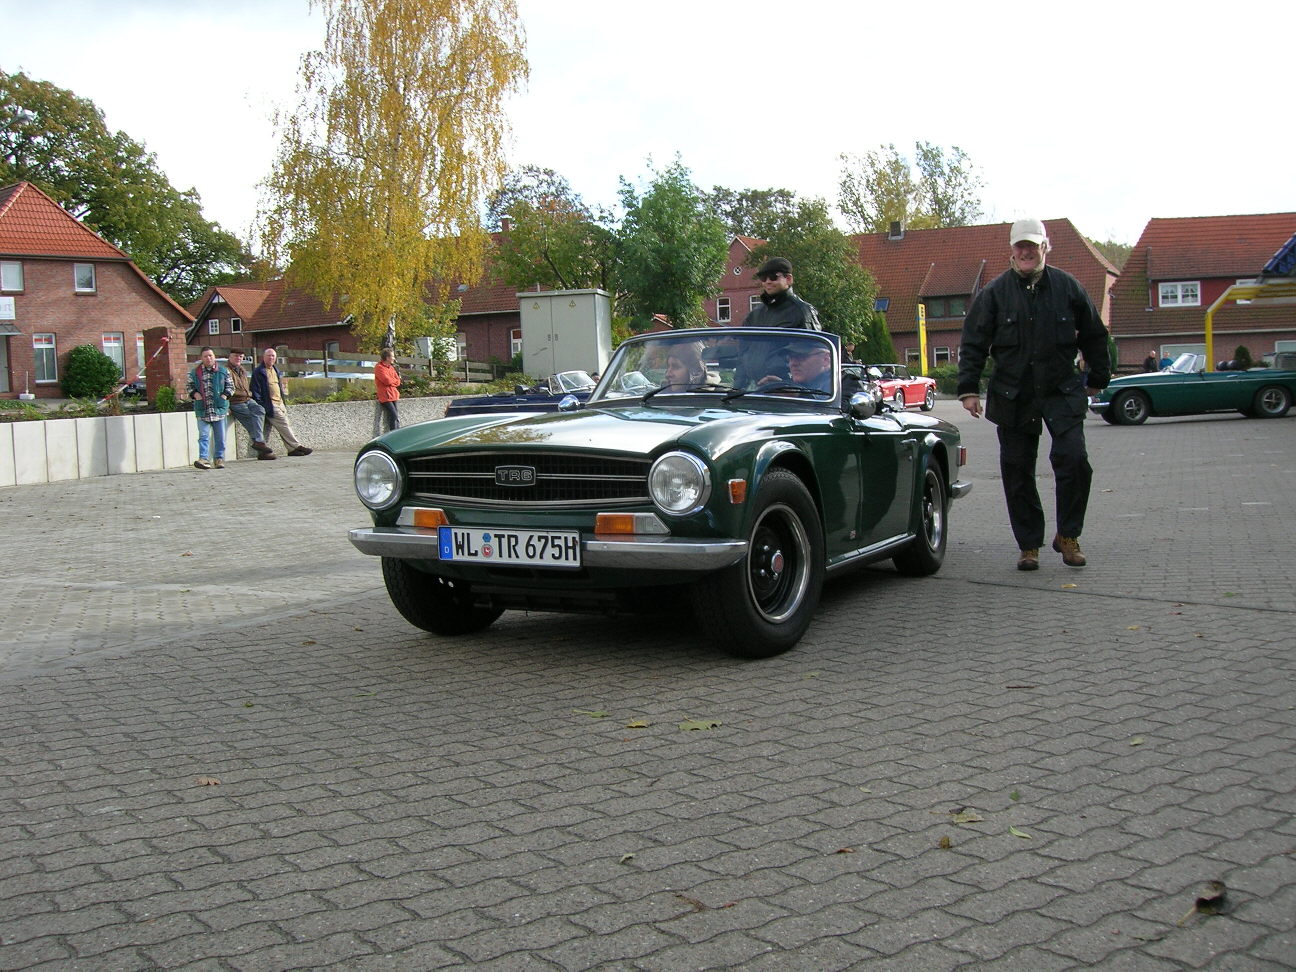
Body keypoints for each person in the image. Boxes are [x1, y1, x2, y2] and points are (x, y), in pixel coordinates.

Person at [957, 217, 1111, 571]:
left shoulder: (1068, 287)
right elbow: (974, 342)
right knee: (1016, 470)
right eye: (1020, 246)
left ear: (1045, 247)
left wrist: (1097, 377)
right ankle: (1029, 545)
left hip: (1061, 389)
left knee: (1074, 461)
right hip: (1014, 393)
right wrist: (968, 389)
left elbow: (1094, 334)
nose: (1026, 252)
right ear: (1012, 250)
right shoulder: (994, 293)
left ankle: (1069, 536)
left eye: (1033, 245)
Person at [734, 257, 822, 387]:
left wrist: (795, 388)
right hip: (758, 388)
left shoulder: (802, 311)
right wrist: (737, 389)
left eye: (773, 277)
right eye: (763, 278)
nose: (768, 282)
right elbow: (742, 356)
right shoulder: (754, 315)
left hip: (788, 388)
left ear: (788, 279)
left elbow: (813, 354)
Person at [251, 348, 313, 457]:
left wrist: (283, 403)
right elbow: (255, 390)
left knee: (285, 425)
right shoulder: (258, 372)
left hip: (280, 403)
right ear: (264, 357)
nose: (271, 358)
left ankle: (291, 450)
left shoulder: (275, 369)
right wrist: (262, 405)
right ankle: (298, 446)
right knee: (284, 425)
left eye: (273, 356)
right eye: (269, 356)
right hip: (270, 405)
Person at [186, 347, 232, 470]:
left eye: (210, 355)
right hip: (203, 410)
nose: (208, 358)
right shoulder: (194, 373)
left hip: (219, 409)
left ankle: (219, 459)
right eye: (205, 356)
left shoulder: (223, 371)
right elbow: (189, 386)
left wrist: (224, 395)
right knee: (203, 436)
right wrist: (195, 394)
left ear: (214, 356)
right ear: (201, 358)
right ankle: (203, 459)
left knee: (220, 437)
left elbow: (230, 387)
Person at [225, 351, 276, 460]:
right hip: (235, 401)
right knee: (249, 417)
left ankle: (259, 443)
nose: (238, 358)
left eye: (240, 356)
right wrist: (226, 406)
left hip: (247, 399)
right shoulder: (225, 371)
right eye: (235, 356)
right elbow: (222, 390)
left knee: (260, 410)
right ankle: (261, 447)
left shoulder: (242, 370)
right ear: (229, 357)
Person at [373, 348, 402, 435]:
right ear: (387, 357)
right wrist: (393, 381)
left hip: (393, 394)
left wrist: (392, 381)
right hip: (385, 396)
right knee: (393, 415)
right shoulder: (379, 367)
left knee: (396, 416)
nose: (394, 358)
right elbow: (386, 380)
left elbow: (398, 381)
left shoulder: (391, 368)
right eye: (392, 356)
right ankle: (394, 435)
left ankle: (398, 433)